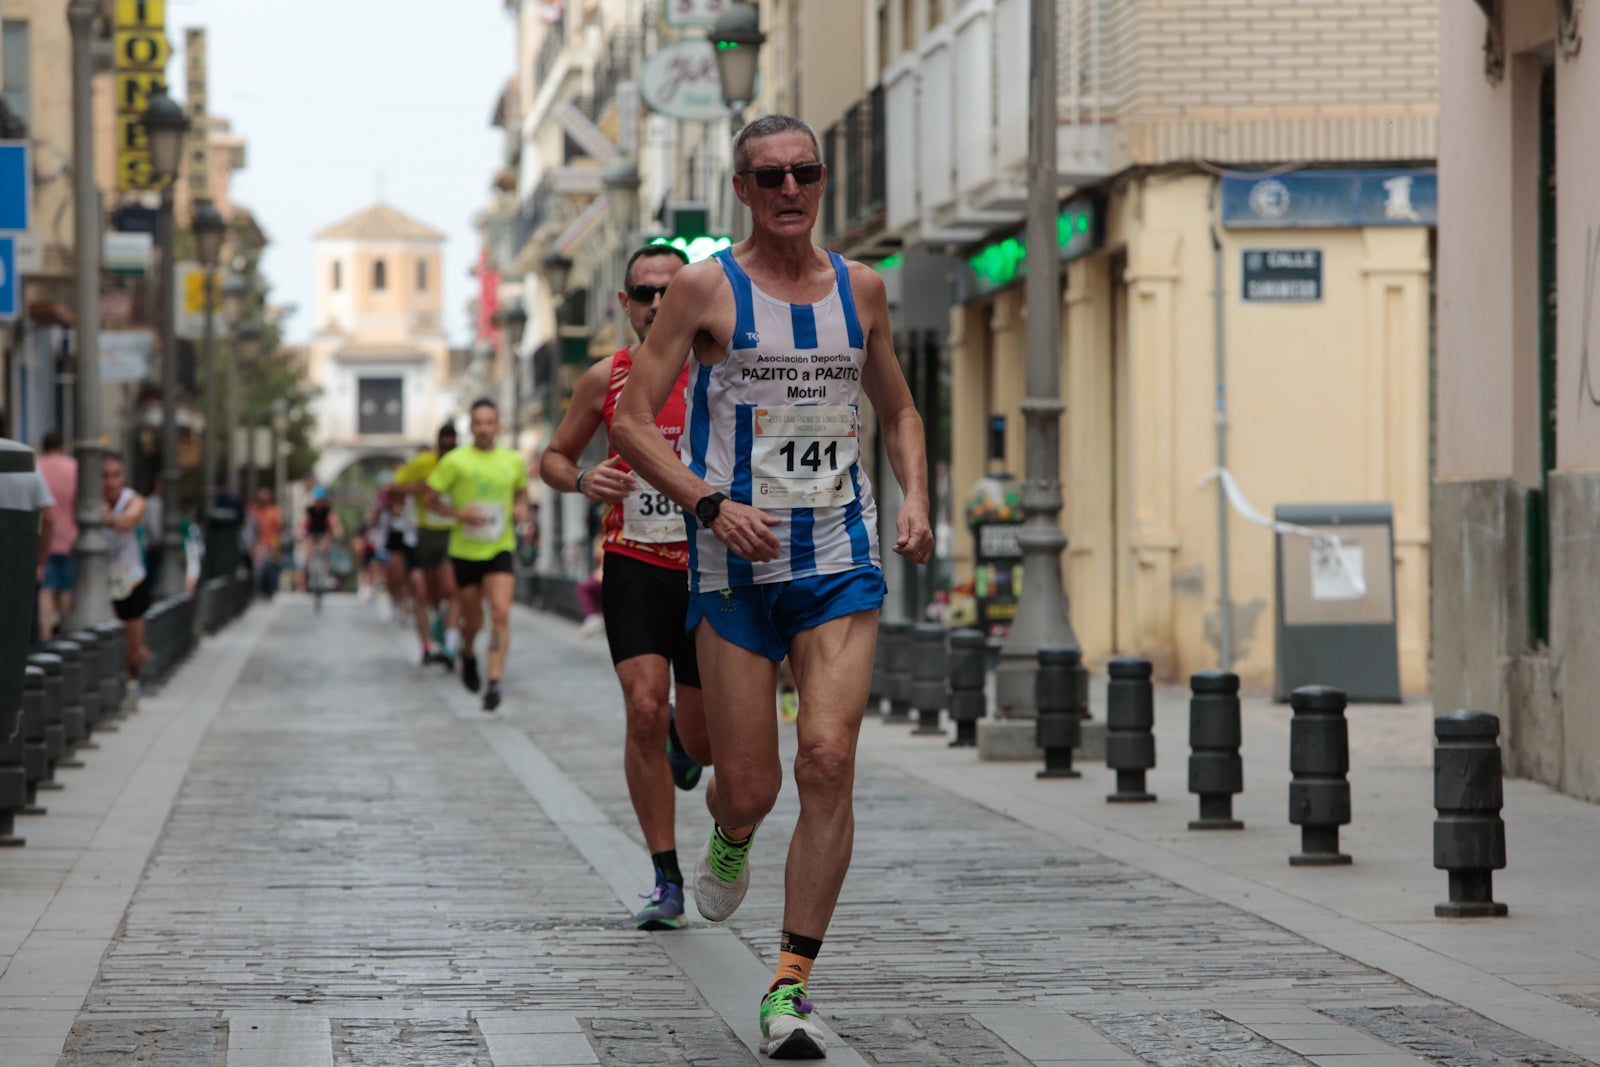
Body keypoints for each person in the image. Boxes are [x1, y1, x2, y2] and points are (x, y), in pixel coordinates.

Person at [613, 114, 934, 1059]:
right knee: (745, 787)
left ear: (821, 180)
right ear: (743, 191)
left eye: (805, 172)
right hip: (733, 566)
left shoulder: (862, 289)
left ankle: (788, 984)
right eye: (770, 176)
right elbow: (634, 424)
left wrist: (915, 498)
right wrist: (710, 504)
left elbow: (901, 407)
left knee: (828, 760)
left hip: (838, 556)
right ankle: (731, 833)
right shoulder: (707, 289)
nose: (791, 188)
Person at [540, 241, 712, 931]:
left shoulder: (722, 373)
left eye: (673, 290)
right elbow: (552, 456)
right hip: (635, 562)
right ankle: (665, 876)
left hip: (710, 569)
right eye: (646, 293)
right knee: (642, 706)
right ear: (626, 304)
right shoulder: (606, 378)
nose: (660, 304)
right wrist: (584, 478)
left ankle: (682, 736)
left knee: (702, 746)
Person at [424, 398, 529, 712]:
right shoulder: (455, 461)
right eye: (478, 423)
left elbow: (521, 492)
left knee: (500, 612)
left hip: (500, 546)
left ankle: (494, 681)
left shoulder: (513, 460)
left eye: (489, 422)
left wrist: (520, 508)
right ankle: (468, 652)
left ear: (498, 426)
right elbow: (430, 500)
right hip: (465, 551)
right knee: (474, 620)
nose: (484, 428)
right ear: (470, 427)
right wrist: (458, 514)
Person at [392, 422, 463, 668]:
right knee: (423, 594)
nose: (447, 448)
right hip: (421, 535)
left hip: (452, 534)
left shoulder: (463, 462)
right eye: (443, 443)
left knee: (450, 589)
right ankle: (425, 646)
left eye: (451, 443)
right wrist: (421, 488)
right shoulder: (423, 463)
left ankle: (451, 644)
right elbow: (396, 485)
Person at [100, 452, 150, 683]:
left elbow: (130, 518)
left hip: (130, 580)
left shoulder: (132, 500)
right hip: (97, 582)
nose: (110, 481)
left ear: (123, 477)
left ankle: (133, 679)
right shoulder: (90, 501)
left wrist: (107, 519)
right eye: (104, 476)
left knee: (133, 650)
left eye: (115, 475)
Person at [1, 437, 55, 645]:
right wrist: (39, 560)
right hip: (20, 563)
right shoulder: (27, 461)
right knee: (23, 633)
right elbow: (48, 517)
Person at [35, 430, 77, 637]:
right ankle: (65, 634)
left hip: (45, 538)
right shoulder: (74, 467)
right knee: (66, 589)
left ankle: (46, 636)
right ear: (62, 446)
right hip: (71, 538)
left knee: (46, 589)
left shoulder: (37, 467)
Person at [299, 485, 340, 593]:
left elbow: (334, 523)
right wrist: (299, 532)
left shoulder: (328, 510)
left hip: (323, 534)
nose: (319, 502)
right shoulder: (309, 510)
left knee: (325, 546)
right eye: (317, 499)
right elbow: (303, 523)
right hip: (311, 534)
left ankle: (326, 574)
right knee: (308, 553)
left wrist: (337, 531)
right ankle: (305, 579)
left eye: (321, 499)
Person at [250, 487, 285, 599]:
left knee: (271, 567)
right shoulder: (255, 511)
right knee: (260, 569)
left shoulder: (274, 511)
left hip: (272, 543)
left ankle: (271, 589)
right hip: (259, 543)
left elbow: (279, 526)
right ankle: (261, 590)